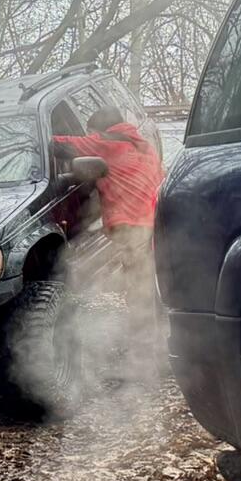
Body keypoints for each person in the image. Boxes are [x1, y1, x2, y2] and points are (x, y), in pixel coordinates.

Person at [53, 106, 165, 338]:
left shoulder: (105, 144)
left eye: (91, 132)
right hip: (156, 218)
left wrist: (29, 137)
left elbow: (59, 145)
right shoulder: (143, 145)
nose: (90, 136)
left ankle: (144, 342)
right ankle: (154, 334)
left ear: (101, 129)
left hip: (133, 224)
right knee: (148, 278)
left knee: (139, 285)